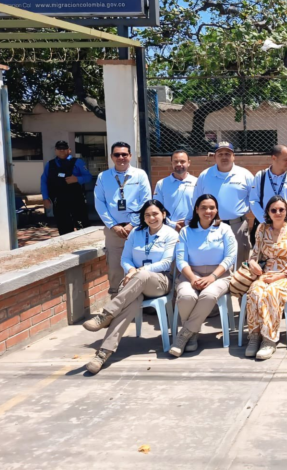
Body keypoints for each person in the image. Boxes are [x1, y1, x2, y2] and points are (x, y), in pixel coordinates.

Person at [82, 200, 178, 374]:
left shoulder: (170, 234)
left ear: (163, 214)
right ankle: (103, 354)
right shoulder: (136, 233)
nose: (151, 218)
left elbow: (165, 263)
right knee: (131, 303)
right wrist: (131, 269)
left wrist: (139, 271)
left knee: (140, 277)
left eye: (155, 214)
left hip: (160, 281)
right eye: (147, 215)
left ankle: (107, 314)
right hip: (134, 282)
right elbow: (125, 258)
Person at [171, 194, 237, 357]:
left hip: (220, 275)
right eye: (204, 208)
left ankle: (184, 335)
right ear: (196, 210)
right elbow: (180, 260)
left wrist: (212, 277)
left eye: (212, 208)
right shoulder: (186, 231)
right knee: (186, 297)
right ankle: (193, 336)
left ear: (217, 210)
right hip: (191, 274)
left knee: (208, 295)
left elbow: (230, 257)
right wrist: (193, 278)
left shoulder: (225, 229)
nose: (208, 211)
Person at [243, 196, 287, 360]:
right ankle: (255, 335)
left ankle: (269, 339)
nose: (278, 213)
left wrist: (280, 275)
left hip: (286, 275)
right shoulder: (261, 229)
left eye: (281, 209)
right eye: (274, 210)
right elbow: (255, 254)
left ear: (286, 211)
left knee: (271, 292)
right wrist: (252, 264)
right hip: (264, 274)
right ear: (268, 213)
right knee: (255, 292)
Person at [94, 142, 152, 295]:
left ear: (130, 156)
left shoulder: (140, 175)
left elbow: (146, 201)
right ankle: (116, 301)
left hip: (137, 229)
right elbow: (99, 203)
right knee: (115, 267)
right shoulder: (103, 177)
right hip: (114, 231)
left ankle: (141, 300)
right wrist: (113, 225)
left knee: (139, 265)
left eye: (124, 154)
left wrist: (132, 224)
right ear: (112, 157)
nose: (121, 157)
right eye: (117, 154)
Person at [191, 141, 255, 270]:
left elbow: (253, 199)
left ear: (233, 156)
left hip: (237, 225)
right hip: (211, 226)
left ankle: (239, 288)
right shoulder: (205, 175)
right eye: (220, 154)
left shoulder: (245, 175)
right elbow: (196, 200)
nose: (224, 157)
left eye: (227, 154)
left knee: (240, 261)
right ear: (214, 157)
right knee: (215, 259)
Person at [41, 140, 92, 235]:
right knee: (63, 226)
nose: (62, 151)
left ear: (69, 150)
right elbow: (44, 181)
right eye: (59, 149)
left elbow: (88, 177)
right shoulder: (50, 164)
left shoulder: (78, 162)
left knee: (82, 225)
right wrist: (45, 198)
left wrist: (77, 179)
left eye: (64, 148)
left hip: (76, 198)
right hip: (59, 200)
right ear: (55, 150)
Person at [250, 145, 287, 227]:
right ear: (274, 158)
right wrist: (265, 220)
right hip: (266, 223)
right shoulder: (261, 176)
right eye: (286, 160)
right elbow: (253, 200)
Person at [153, 149, 197, 231]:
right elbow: (157, 208)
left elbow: (201, 207)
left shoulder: (197, 183)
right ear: (171, 163)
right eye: (176, 161)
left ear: (189, 163)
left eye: (182, 161)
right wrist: (172, 225)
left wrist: (187, 222)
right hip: (168, 229)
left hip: (192, 228)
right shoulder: (161, 184)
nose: (179, 164)